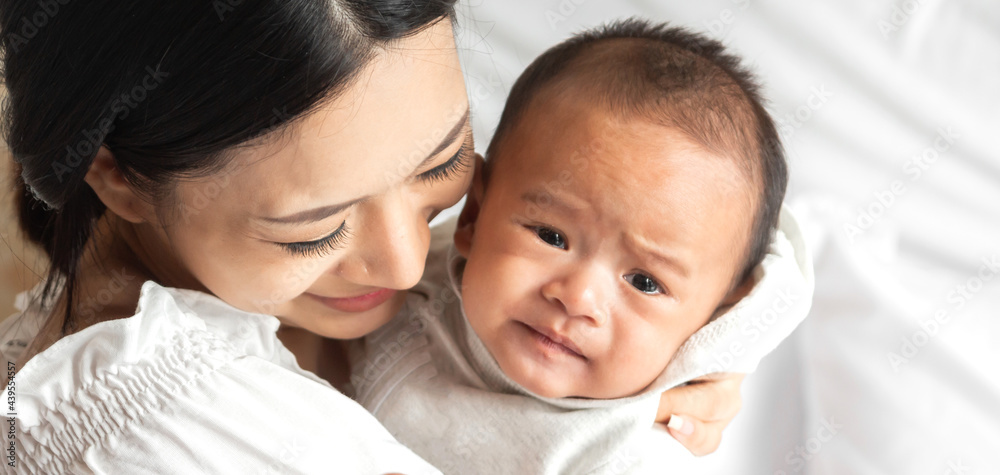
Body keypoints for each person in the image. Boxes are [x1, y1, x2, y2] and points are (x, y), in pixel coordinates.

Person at [0, 1, 743, 472]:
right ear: (117, 175)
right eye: (317, 228)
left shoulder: (252, 308)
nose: (411, 259)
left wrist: (709, 321)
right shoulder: (183, 436)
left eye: (443, 166)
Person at [348, 20, 814, 473]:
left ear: (713, 315)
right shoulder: (401, 274)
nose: (577, 298)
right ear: (473, 214)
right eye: (551, 237)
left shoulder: (627, 455)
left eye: (645, 282)